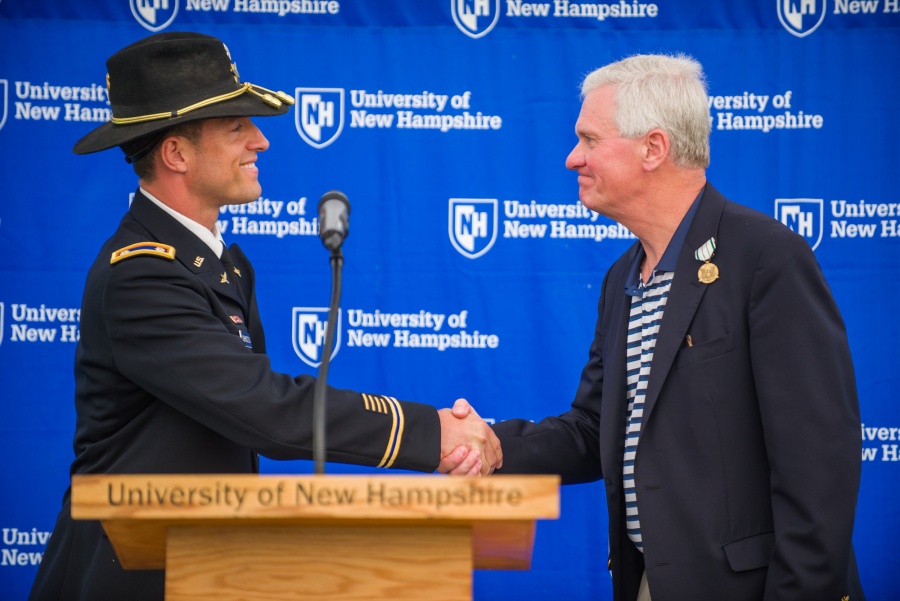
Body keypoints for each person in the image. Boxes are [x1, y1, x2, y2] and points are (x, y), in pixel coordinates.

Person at [29, 31, 499, 601]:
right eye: (237, 128)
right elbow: (266, 410)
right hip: (133, 573)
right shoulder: (143, 274)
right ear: (177, 154)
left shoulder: (222, 262)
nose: (261, 141)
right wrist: (431, 432)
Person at [449, 53, 865, 601]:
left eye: (590, 140)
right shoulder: (622, 277)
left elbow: (819, 466)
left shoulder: (766, 258)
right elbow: (595, 428)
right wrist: (498, 447)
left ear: (653, 148)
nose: (574, 158)